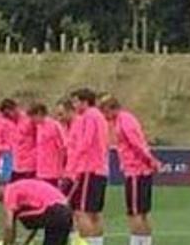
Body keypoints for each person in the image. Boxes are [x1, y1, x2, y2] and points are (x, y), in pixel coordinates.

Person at [102, 96, 159, 245]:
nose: (104, 117)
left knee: (135, 213)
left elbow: (137, 144)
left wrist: (150, 160)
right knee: (142, 213)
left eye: (105, 112)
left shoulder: (124, 121)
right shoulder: (124, 120)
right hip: (140, 170)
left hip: (135, 171)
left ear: (112, 109)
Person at [65, 88, 109, 245]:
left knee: (81, 212)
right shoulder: (100, 117)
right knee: (94, 213)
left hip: (88, 169)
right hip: (100, 169)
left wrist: (73, 165)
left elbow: (86, 142)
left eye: (76, 102)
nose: (74, 106)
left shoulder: (89, 116)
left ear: (84, 102)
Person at [0, 179, 73, 245]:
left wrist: (5, 243)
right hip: (66, 211)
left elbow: (9, 226)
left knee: (15, 212)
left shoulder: (9, 190)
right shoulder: (24, 187)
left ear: (0, 187)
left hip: (55, 211)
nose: (1, 202)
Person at [28, 104, 66, 189]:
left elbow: (62, 148)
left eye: (33, 117)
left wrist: (61, 170)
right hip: (41, 171)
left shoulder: (55, 125)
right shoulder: (39, 127)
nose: (32, 120)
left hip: (53, 171)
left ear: (39, 114)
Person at [0, 99, 36, 182]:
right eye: (7, 114)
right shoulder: (4, 123)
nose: (10, 115)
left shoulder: (28, 120)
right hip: (12, 164)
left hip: (28, 164)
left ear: (16, 108)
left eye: (11, 111)